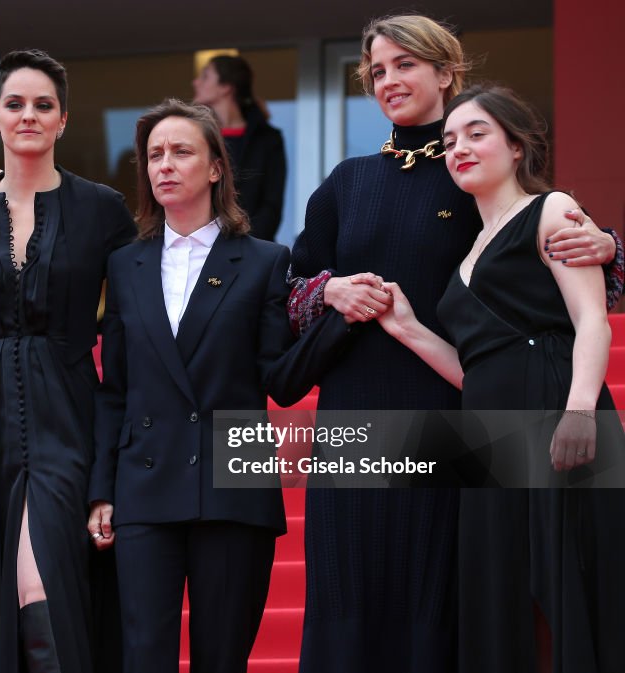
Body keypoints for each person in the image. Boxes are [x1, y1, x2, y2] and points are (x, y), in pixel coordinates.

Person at [285, 14, 623, 673]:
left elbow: (554, 251)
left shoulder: (477, 170)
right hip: (358, 413)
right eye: (377, 71)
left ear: (446, 71)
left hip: (462, 417)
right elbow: (289, 286)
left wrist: (610, 247)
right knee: (359, 589)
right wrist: (330, 292)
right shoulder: (347, 182)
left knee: (474, 593)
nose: (389, 80)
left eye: (405, 63)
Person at [376, 84, 625, 673]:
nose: (459, 147)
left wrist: (581, 411)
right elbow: (475, 370)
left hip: (559, 414)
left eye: (477, 133)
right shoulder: (466, 255)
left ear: (516, 146)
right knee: (503, 594)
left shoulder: (552, 209)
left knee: (572, 588)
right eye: (450, 140)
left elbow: (593, 320)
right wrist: (408, 328)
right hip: (489, 436)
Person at [0, 49, 136, 673]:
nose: (29, 116)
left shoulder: (102, 210)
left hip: (66, 408)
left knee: (43, 579)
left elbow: (133, 317)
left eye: (44, 106)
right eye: (15, 104)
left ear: (64, 119)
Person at [87, 99, 331, 673]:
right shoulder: (125, 265)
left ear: (216, 167)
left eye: (181, 152)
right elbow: (114, 388)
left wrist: (336, 317)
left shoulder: (267, 260)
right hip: (144, 486)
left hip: (233, 486)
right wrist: (102, 489)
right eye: (154, 155)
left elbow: (281, 380)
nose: (164, 165)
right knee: (143, 657)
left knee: (223, 659)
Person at [192, 54, 287, 242]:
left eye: (205, 76)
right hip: (202, 250)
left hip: (252, 251)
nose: (195, 83)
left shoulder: (267, 140)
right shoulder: (196, 137)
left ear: (226, 87)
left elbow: (271, 206)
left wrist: (246, 247)